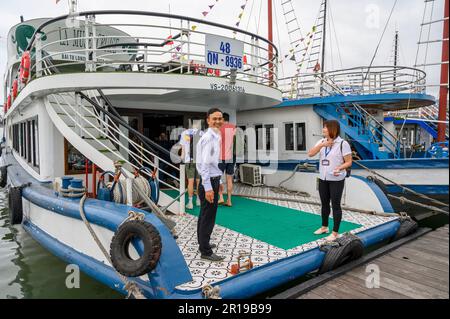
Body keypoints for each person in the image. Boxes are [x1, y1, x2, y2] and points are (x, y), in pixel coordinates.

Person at [308, 120, 352, 241]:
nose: (323, 129)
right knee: (324, 204)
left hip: (337, 179)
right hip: (323, 178)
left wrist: (339, 167)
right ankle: (324, 227)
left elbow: (349, 162)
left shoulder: (343, 143)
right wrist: (322, 145)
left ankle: (335, 232)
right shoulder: (321, 142)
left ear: (332, 129)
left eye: (325, 127)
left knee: (336, 205)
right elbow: (310, 154)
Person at [196, 108, 225, 261]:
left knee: (204, 215)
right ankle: (205, 251)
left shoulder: (215, 136)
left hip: (212, 180)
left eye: (220, 118)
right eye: (214, 119)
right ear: (208, 120)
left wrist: (219, 181)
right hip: (208, 182)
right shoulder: (209, 138)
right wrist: (208, 188)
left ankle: (203, 243)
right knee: (208, 217)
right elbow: (205, 165)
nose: (218, 121)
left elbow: (214, 163)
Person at [179, 123, 203, 210]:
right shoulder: (202, 133)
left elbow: (183, 149)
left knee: (190, 182)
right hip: (199, 161)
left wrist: (182, 158)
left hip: (189, 160)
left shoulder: (185, 133)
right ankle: (198, 200)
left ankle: (190, 202)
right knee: (198, 181)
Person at [218, 112, 236, 207]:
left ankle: (221, 197)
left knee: (217, 177)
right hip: (232, 156)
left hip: (221, 156)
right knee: (229, 179)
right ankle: (229, 200)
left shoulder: (220, 128)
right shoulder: (234, 127)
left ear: (222, 119)